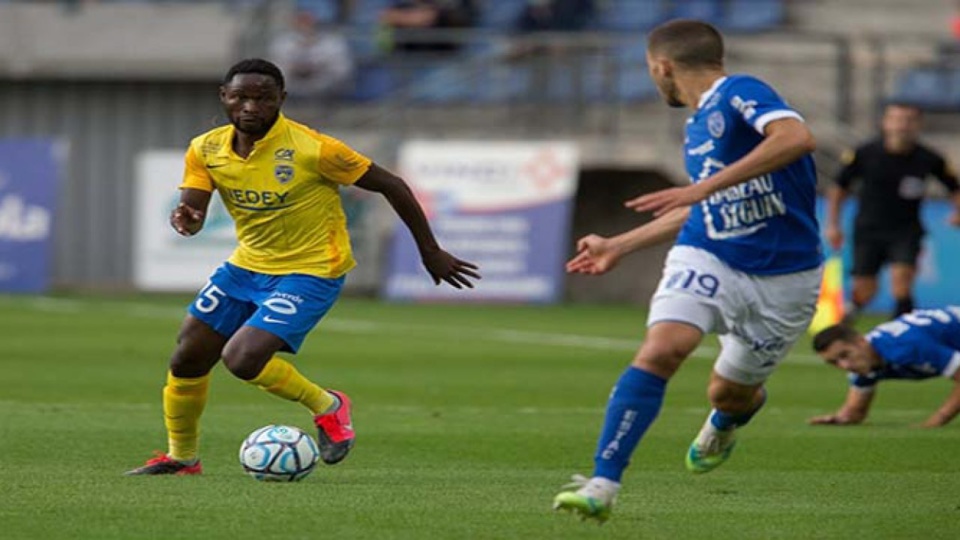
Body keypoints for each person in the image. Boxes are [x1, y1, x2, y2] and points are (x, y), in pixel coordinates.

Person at [125, 58, 480, 476]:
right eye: (240, 97)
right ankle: (183, 458)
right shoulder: (206, 148)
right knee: (187, 357)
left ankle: (329, 405)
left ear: (281, 100)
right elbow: (194, 205)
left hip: (312, 270)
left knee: (241, 359)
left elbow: (392, 185)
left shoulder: (315, 149)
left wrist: (429, 251)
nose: (251, 107)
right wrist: (188, 218)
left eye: (263, 98)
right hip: (246, 266)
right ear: (225, 97)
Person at [552, 19, 822, 522]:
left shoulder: (739, 91)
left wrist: (700, 187)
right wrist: (620, 244)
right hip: (711, 255)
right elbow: (704, 206)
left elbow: (797, 137)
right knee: (662, 349)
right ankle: (601, 484)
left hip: (786, 277)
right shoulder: (696, 127)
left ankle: (725, 420)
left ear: (662, 66)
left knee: (731, 391)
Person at [826, 102, 960, 322]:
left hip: (906, 230)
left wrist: (957, 212)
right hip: (868, 229)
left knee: (902, 279)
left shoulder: (929, 158)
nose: (903, 125)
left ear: (918, 125)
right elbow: (839, 188)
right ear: (885, 123)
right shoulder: (865, 153)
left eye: (909, 120)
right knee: (865, 289)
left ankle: (903, 334)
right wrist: (834, 224)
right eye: (897, 119)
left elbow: (954, 188)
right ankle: (851, 311)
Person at [810, 307, 960, 428]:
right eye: (833, 362)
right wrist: (840, 419)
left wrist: (938, 420)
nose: (844, 365)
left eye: (845, 355)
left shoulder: (904, 346)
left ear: (860, 341)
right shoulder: (865, 363)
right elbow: (856, 412)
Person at [269, 9, 355, 101]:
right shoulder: (283, 42)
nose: (306, 25)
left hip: (323, 84)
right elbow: (276, 66)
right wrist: (296, 67)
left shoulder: (333, 42)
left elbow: (343, 69)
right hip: (293, 83)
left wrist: (318, 66)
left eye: (309, 21)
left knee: (334, 77)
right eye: (302, 21)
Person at [379, 0, 477, 55]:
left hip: (444, 58)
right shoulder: (402, 5)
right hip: (406, 58)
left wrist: (410, 18)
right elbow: (387, 16)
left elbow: (429, 17)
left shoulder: (462, 6)